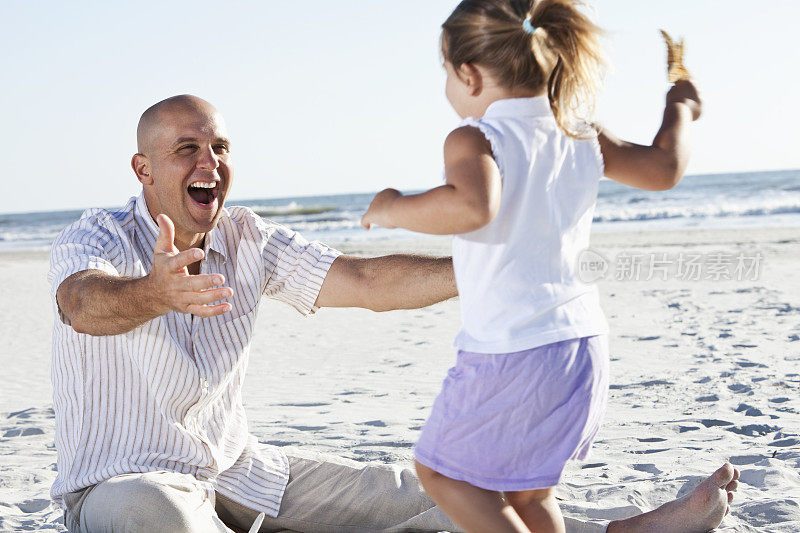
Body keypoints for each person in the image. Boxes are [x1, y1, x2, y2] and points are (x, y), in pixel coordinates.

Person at [49, 94, 737, 533]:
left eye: (220, 147)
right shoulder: (98, 234)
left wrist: (482, 268)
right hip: (123, 481)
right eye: (188, 150)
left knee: (430, 492)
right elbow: (81, 302)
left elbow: (365, 278)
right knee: (154, 512)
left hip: (240, 471)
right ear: (143, 169)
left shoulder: (246, 238)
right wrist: (155, 292)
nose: (212, 162)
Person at [360, 1, 739, 532]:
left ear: (468, 73)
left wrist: (393, 206)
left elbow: (472, 206)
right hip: (580, 347)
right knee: (528, 495)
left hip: (513, 350)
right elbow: (663, 168)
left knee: (441, 472)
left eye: (445, 71)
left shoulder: (475, 137)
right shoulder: (579, 132)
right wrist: (681, 107)